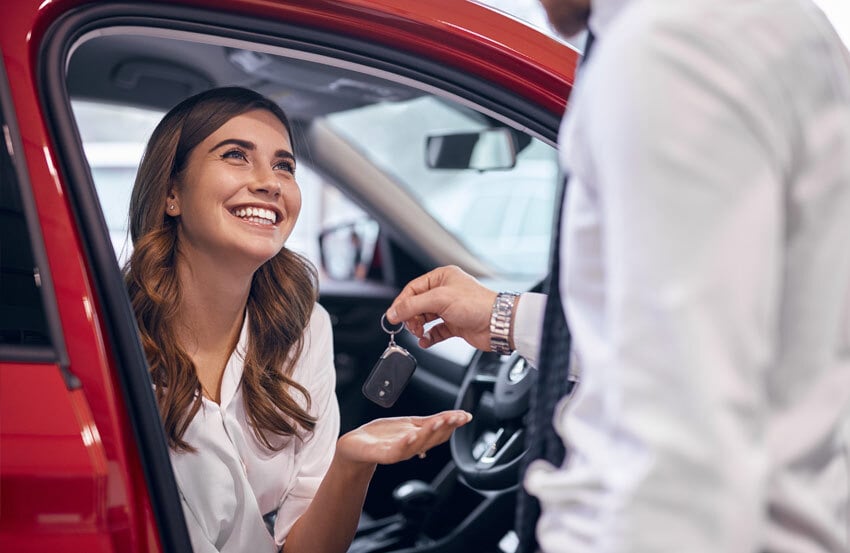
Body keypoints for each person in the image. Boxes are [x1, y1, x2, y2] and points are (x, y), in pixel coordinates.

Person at [387, 0, 850, 552]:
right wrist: (503, 317)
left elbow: (677, 451)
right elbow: (692, 344)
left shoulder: (672, 47)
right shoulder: (766, 24)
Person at [125, 86, 472, 553]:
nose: (270, 182)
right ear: (172, 193)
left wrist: (351, 463)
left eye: (284, 166)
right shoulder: (110, 329)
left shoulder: (304, 328)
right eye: (236, 156)